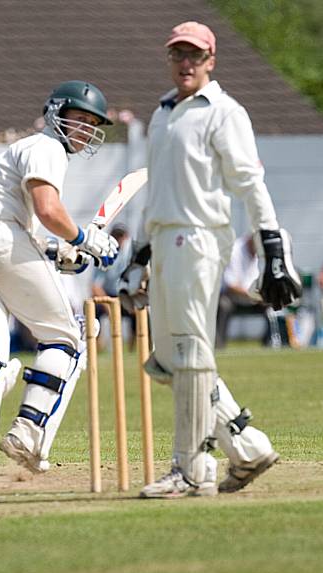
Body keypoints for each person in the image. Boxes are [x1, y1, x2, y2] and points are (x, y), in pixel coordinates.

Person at [118, 22, 302, 498]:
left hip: (199, 240)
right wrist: (138, 252)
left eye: (195, 56)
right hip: (163, 242)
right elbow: (155, 189)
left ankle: (190, 469)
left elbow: (249, 184)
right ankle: (247, 446)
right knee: (167, 359)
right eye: (178, 54)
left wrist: (272, 250)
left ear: (211, 61)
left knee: (191, 353)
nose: (186, 63)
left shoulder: (224, 112)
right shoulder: (163, 113)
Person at [0, 80, 118, 472]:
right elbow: (47, 207)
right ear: (56, 114)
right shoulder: (47, 146)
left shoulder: (18, 151)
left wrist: (60, 251)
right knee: (66, 339)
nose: (86, 129)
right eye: (79, 119)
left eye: (92, 123)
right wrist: (87, 239)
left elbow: (29, 227)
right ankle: (28, 434)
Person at [216, 233, 273, 348]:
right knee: (223, 305)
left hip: (254, 297)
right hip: (232, 297)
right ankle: (219, 345)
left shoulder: (261, 252)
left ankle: (270, 344)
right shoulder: (234, 250)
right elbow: (230, 284)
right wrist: (253, 295)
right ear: (250, 241)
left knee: (272, 305)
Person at [91, 224, 136, 349]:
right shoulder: (102, 254)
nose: (118, 239)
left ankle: (136, 347)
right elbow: (95, 287)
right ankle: (95, 346)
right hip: (108, 295)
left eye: (121, 236)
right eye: (116, 236)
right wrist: (108, 306)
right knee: (93, 310)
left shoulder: (133, 254)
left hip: (127, 294)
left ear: (126, 237)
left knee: (141, 309)